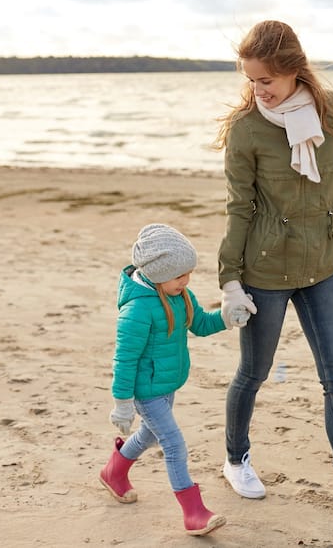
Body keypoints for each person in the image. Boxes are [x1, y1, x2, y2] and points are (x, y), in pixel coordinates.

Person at [214, 20, 333, 522]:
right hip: (264, 269)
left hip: (322, 263)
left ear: (293, 69)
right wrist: (230, 281)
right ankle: (236, 459)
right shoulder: (246, 129)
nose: (260, 90)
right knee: (253, 373)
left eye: (267, 80)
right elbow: (239, 208)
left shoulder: (332, 107)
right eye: (252, 81)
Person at [100, 223, 247, 536]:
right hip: (145, 390)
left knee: (150, 435)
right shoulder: (137, 310)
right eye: (180, 275)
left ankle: (114, 471)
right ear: (156, 273)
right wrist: (122, 403)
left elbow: (200, 324)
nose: (187, 280)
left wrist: (226, 317)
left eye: (188, 273)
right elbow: (124, 360)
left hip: (166, 384)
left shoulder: (179, 295)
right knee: (174, 444)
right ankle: (193, 511)